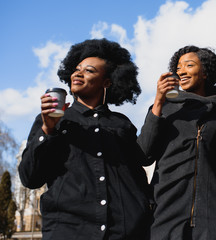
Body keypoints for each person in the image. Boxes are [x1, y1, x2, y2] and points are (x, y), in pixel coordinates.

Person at [18, 38, 151, 240]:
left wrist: (142, 209)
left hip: (125, 232)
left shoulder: (121, 124)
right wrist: (48, 129)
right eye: (77, 69)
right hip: (69, 232)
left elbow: (138, 173)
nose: (78, 73)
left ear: (107, 82)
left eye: (89, 70)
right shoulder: (53, 122)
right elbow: (30, 178)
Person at [137, 46, 216, 240]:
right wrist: (159, 101)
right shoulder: (164, 110)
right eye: (178, 67)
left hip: (212, 220)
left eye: (189, 65)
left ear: (205, 73)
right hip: (164, 217)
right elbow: (143, 154)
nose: (181, 71)